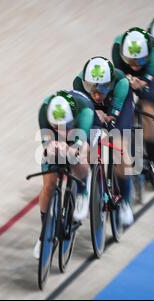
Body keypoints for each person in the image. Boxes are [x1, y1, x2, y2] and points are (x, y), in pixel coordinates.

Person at [73, 56, 134, 226]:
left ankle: (125, 202)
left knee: (120, 148)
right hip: (93, 109)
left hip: (118, 105)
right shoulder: (78, 83)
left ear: (109, 84)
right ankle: (84, 189)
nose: (96, 93)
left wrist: (110, 117)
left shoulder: (121, 84)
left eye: (101, 89)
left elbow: (112, 119)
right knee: (84, 143)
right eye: (91, 88)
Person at [34, 89, 94, 259]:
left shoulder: (84, 113)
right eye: (56, 126)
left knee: (81, 155)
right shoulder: (44, 112)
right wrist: (51, 145)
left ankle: (83, 189)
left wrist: (71, 148)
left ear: (72, 120)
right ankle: (44, 233)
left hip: (79, 134)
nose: (61, 130)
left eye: (65, 126)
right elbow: (47, 143)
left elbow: (78, 144)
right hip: (56, 138)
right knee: (48, 185)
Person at [111, 27, 154, 175]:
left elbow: (148, 78)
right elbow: (118, 74)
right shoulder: (117, 47)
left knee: (148, 108)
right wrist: (127, 79)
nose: (135, 64)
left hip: (148, 75)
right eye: (131, 60)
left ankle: (153, 161)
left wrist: (142, 82)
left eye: (139, 60)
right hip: (127, 76)